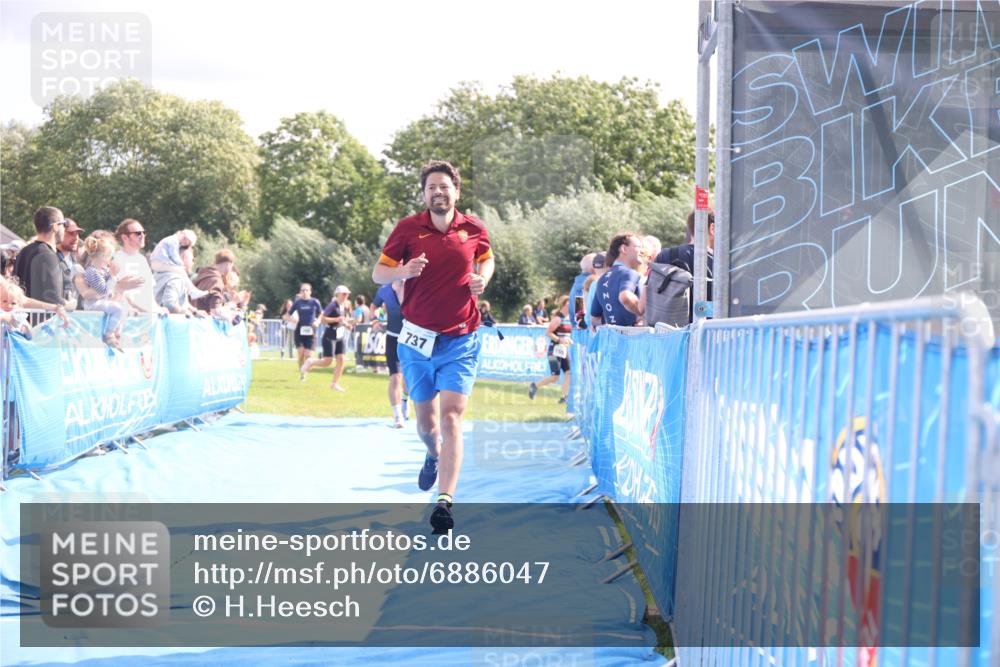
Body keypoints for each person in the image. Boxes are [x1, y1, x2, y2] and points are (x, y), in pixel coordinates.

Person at [372, 159, 494, 533]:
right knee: (427, 424)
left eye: (444, 186)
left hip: (461, 337)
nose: (438, 192)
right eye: (431, 188)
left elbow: (488, 260)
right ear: (424, 194)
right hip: (417, 340)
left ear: (456, 190)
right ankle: (432, 453)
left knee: (452, 417)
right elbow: (378, 273)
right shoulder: (408, 229)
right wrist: (403, 272)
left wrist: (481, 279)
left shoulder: (473, 227)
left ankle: (445, 501)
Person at [13, 206, 67, 306]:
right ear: (55, 226)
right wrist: (72, 303)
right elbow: (54, 299)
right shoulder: (48, 255)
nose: (65, 228)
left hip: (22, 317)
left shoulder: (23, 251)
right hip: (44, 319)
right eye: (64, 224)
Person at [301, 285, 353, 391]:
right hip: (330, 335)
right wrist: (336, 319)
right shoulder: (332, 305)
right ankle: (311, 361)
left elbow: (342, 319)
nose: (346, 296)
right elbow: (323, 318)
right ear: (337, 294)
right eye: (344, 294)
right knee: (327, 361)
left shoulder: (346, 306)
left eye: (347, 294)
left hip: (340, 336)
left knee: (341, 360)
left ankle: (334, 384)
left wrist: (347, 324)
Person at [81, 236, 127, 350]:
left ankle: (116, 332)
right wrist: (113, 276)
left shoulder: (101, 270)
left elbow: (113, 284)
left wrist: (116, 277)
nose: (110, 260)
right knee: (119, 309)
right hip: (92, 304)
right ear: (102, 256)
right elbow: (103, 290)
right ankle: (109, 334)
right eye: (109, 256)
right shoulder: (92, 272)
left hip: (100, 302)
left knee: (124, 306)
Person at [372, 280, 408, 427]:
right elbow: (375, 306)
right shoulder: (384, 290)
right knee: (395, 377)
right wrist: (375, 319)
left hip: (412, 339)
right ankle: (397, 416)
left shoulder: (415, 285)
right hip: (392, 338)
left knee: (408, 379)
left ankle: (405, 400)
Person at [590, 233, 644, 328]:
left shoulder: (602, 279)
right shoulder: (629, 273)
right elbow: (625, 297)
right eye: (638, 247)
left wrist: (612, 323)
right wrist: (641, 314)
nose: (642, 251)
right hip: (633, 338)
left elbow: (594, 320)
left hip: (613, 339)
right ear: (624, 249)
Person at [528, 295, 573, 403]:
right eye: (568, 304)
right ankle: (534, 386)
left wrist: (569, 340)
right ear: (563, 305)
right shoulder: (558, 318)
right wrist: (559, 340)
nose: (570, 306)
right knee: (555, 377)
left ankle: (564, 397)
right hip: (554, 350)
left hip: (563, 350)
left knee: (568, 372)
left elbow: (565, 335)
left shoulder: (568, 319)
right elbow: (548, 332)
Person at [113, 218, 160, 316]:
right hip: (128, 317)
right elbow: (115, 291)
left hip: (147, 317)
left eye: (144, 233)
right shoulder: (116, 259)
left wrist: (158, 309)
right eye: (138, 233)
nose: (142, 236)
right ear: (125, 237)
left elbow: (149, 293)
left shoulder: (142, 259)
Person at [288, 282, 323, 380]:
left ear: (310, 292)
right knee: (301, 354)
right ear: (300, 292)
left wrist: (318, 321)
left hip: (311, 331)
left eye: (306, 290)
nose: (304, 292)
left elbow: (321, 313)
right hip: (299, 330)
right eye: (302, 290)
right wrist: (292, 319)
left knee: (309, 355)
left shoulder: (315, 302)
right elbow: (287, 315)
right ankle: (302, 374)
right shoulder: (297, 303)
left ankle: (305, 370)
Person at [192, 249, 237, 318]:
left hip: (192, 320)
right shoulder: (216, 281)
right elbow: (215, 311)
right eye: (231, 266)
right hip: (203, 323)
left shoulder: (201, 274)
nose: (230, 270)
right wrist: (232, 305)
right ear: (228, 264)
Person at [57, 218, 85, 308]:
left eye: (77, 234)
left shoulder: (74, 260)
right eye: (71, 233)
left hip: (75, 315)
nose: (76, 238)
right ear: (60, 233)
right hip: (57, 315)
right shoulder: (51, 259)